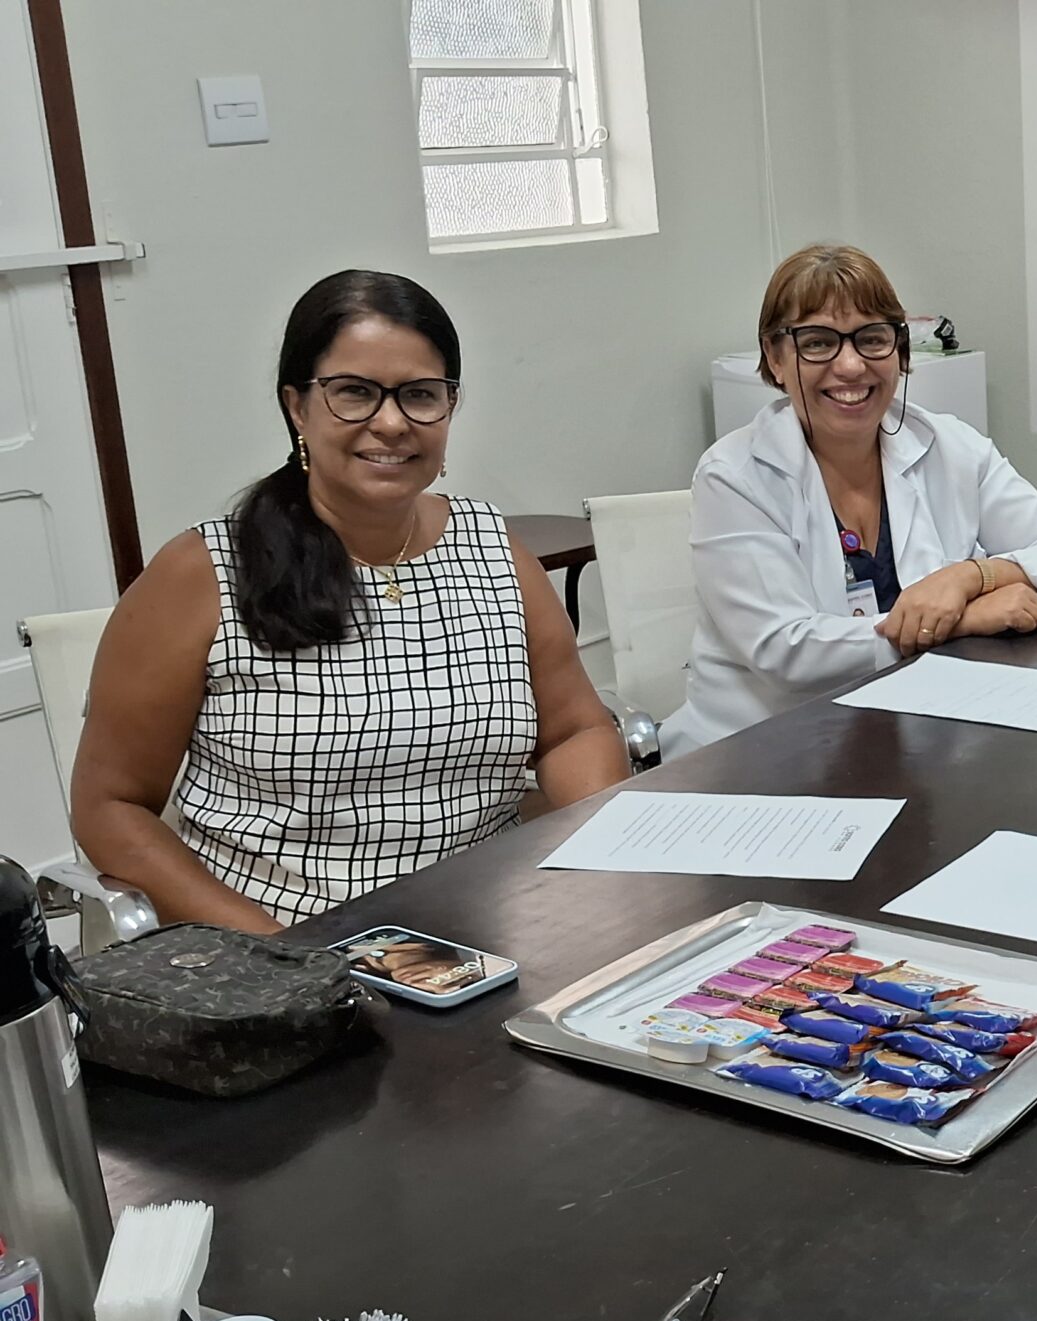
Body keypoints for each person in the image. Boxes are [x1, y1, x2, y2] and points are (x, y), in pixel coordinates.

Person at [71, 270, 629, 934]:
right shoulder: (205, 573)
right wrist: (286, 956)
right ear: (297, 407)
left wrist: (607, 855)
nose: (391, 422)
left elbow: (573, 729)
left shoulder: (494, 547)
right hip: (287, 955)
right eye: (354, 394)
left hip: (493, 931)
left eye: (421, 395)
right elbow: (111, 805)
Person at [662, 245, 1037, 756]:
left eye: (872, 339)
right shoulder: (735, 476)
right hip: (771, 754)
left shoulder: (948, 445)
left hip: (918, 733)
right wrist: (961, 620)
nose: (850, 365)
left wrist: (968, 577)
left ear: (900, 353)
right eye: (818, 342)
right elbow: (786, 648)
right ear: (776, 359)